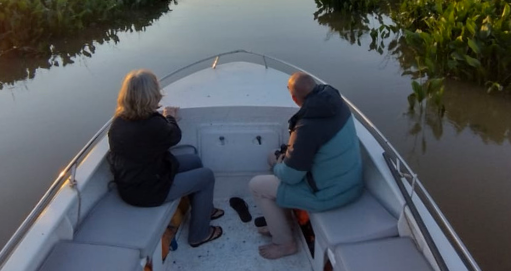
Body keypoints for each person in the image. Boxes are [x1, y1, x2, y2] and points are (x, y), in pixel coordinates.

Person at [249, 72, 364, 260]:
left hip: (330, 195)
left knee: (257, 185)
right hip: (352, 183)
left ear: (294, 98)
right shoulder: (337, 103)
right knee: (274, 157)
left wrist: (278, 165)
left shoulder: (307, 127)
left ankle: (285, 243)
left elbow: (290, 177)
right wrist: (280, 159)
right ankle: (281, 221)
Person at [107, 69, 223, 247]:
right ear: (151, 96)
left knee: (194, 162)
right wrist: (170, 117)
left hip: (136, 181)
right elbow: (174, 135)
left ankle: (205, 210)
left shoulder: (119, 122)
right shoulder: (152, 125)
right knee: (206, 176)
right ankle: (199, 234)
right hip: (149, 192)